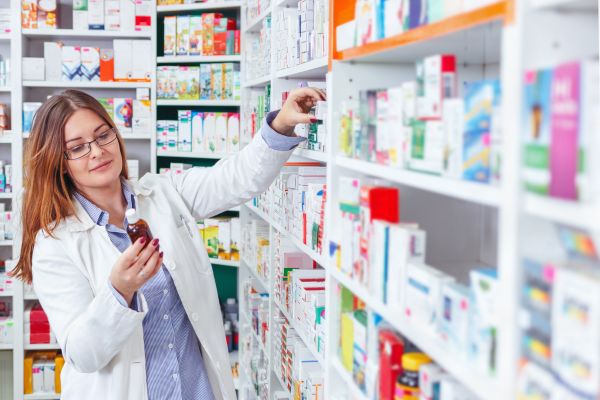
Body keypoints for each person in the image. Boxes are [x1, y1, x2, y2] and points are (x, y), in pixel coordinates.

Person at [11, 87, 326, 400]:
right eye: (77, 147)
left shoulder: (164, 194)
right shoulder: (55, 244)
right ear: (59, 162)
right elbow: (83, 355)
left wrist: (281, 125)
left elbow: (237, 178)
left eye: (102, 135)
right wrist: (119, 292)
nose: (97, 151)